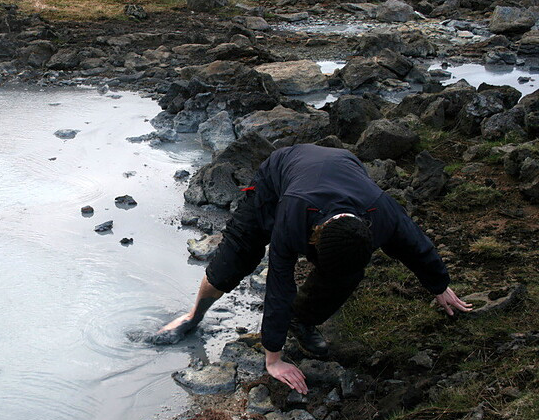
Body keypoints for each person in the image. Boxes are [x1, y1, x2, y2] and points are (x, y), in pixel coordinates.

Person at [159, 144, 472, 395]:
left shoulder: (383, 213)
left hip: (342, 171)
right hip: (278, 178)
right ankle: (193, 315)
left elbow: (416, 244)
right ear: (314, 239)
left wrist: (439, 285)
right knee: (234, 259)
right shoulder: (293, 217)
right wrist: (273, 359)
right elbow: (279, 283)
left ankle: (302, 320)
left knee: (346, 275)